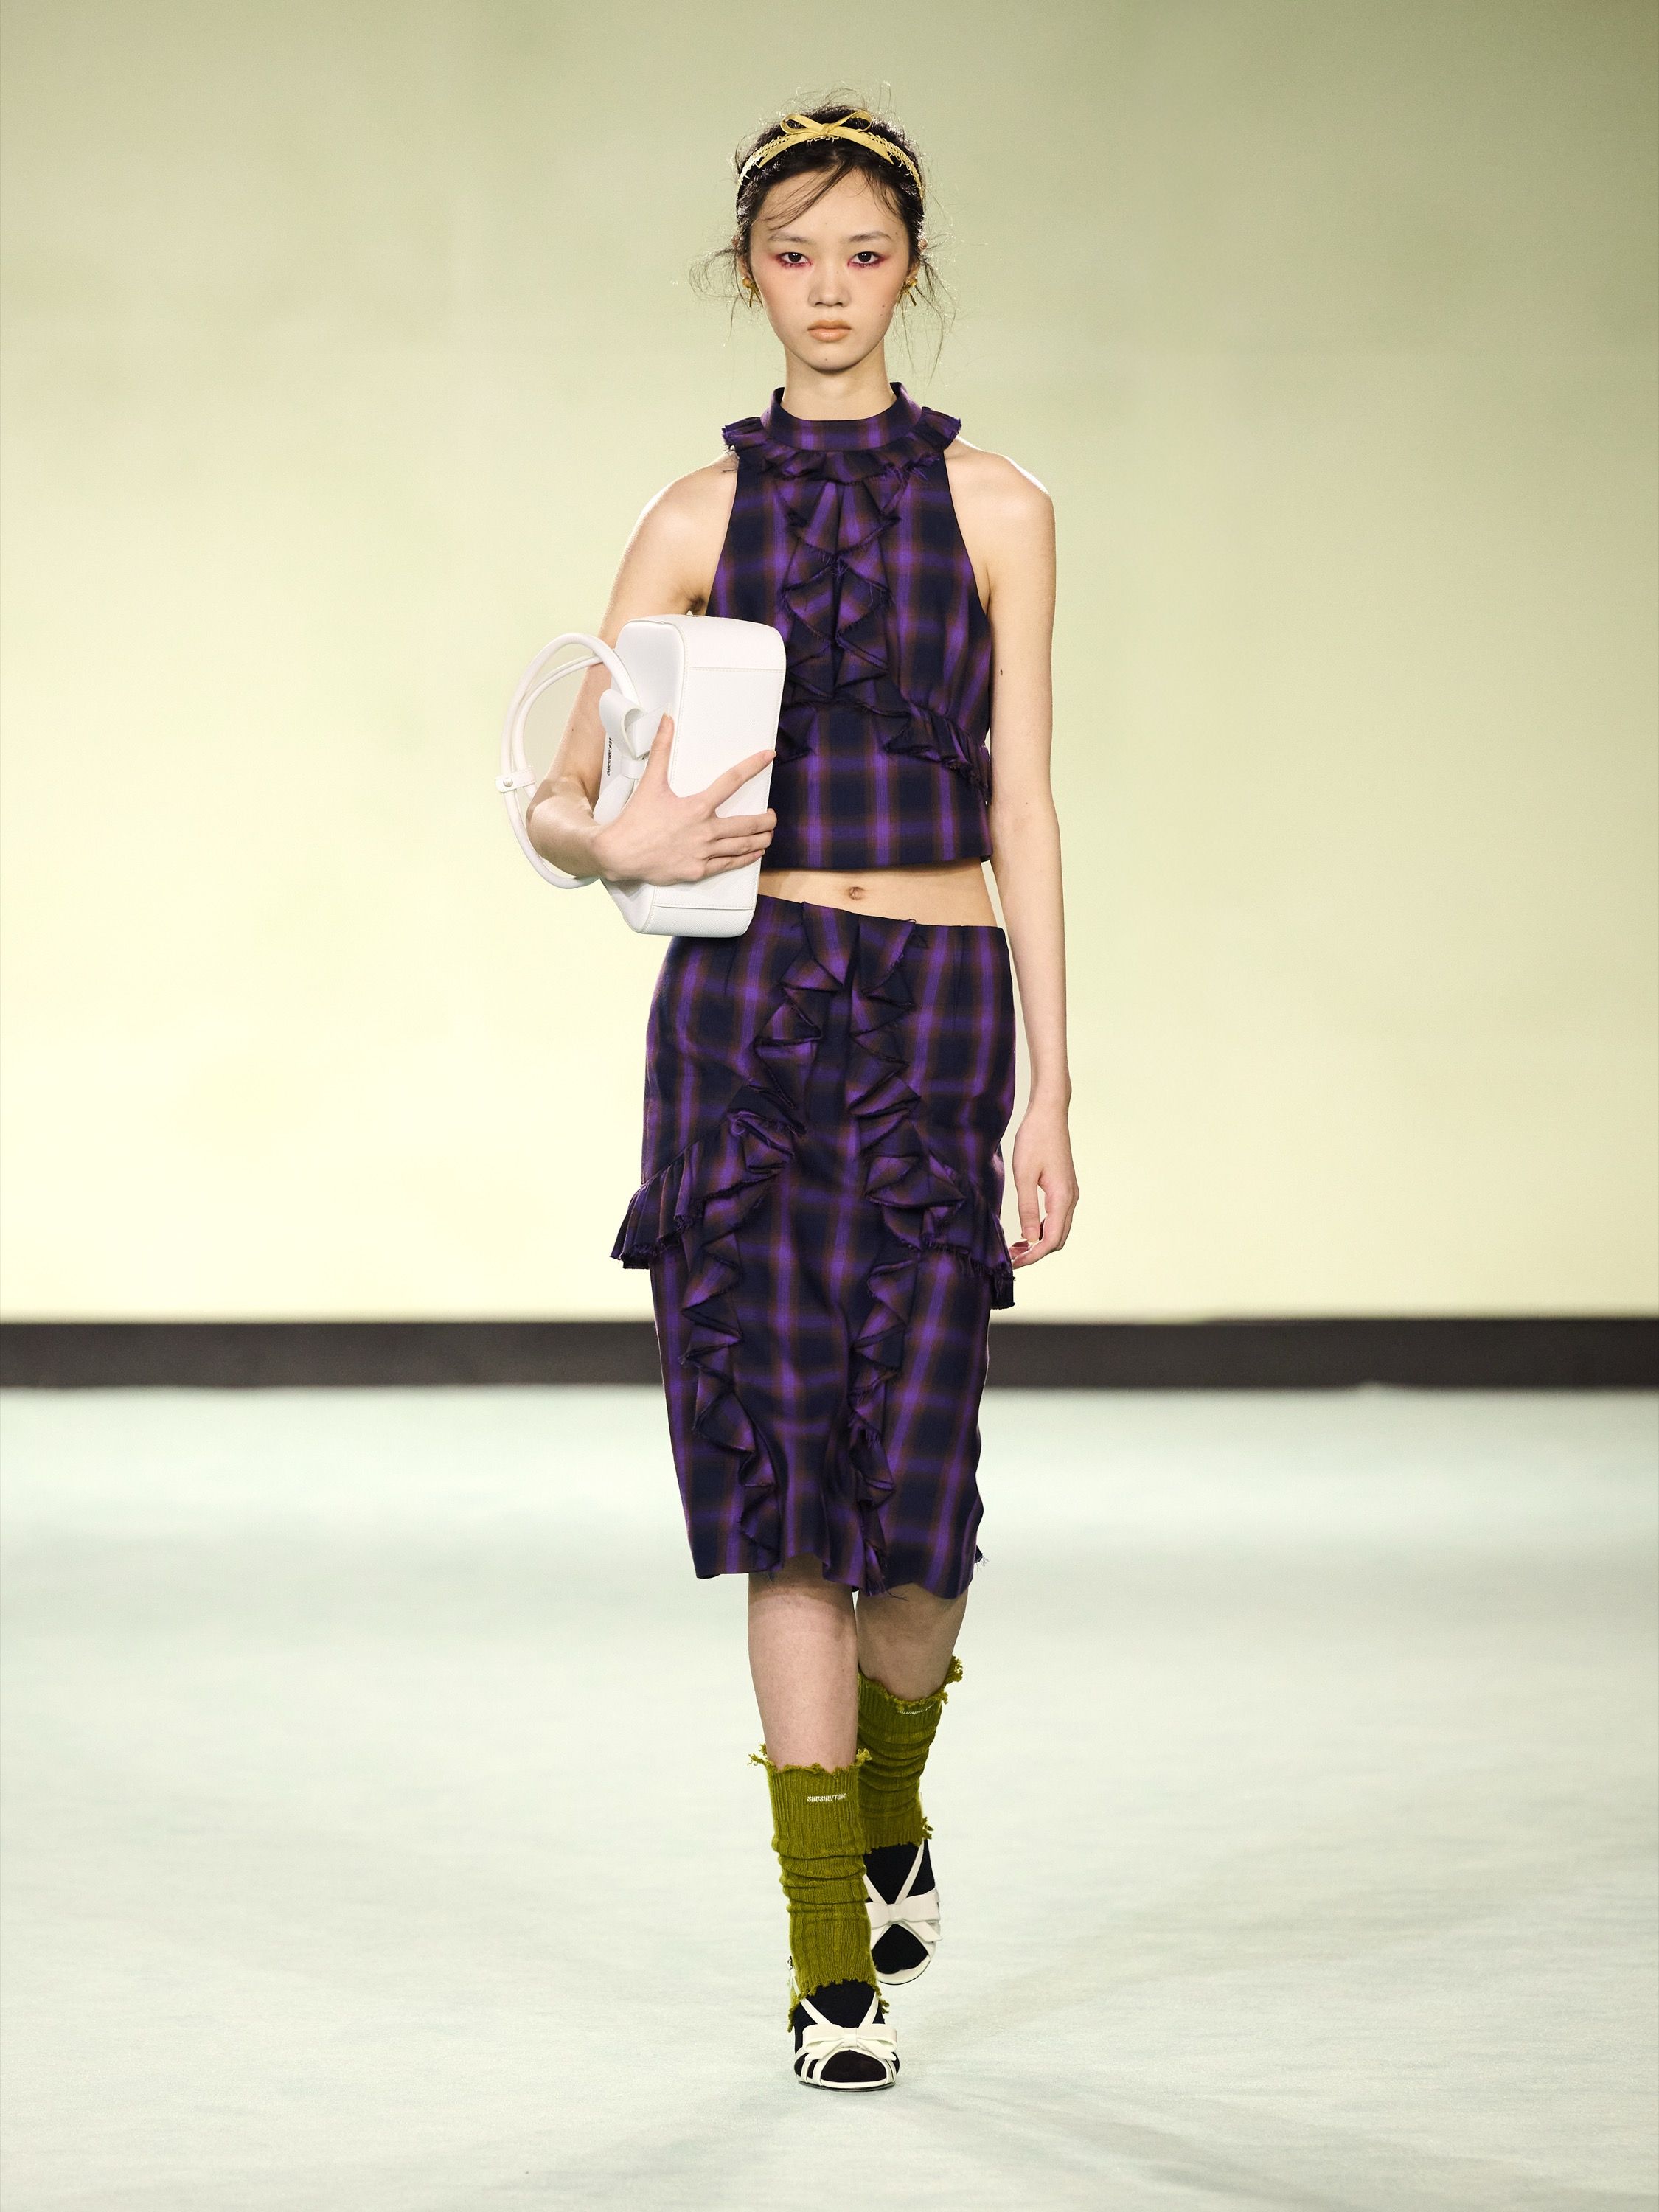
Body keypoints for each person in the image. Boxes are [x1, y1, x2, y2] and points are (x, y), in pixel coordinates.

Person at [524, 97, 1076, 2090]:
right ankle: (828, 1961)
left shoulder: (1000, 507)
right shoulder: (693, 517)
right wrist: (613, 839)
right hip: (744, 1017)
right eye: (791, 255)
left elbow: (1024, 802)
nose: (829, 290)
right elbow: (556, 789)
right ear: (746, 274)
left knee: (916, 1523)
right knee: (785, 1492)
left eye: (863, 253)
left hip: (938, 1009)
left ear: (908, 267)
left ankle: (892, 1795)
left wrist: (1056, 1090)